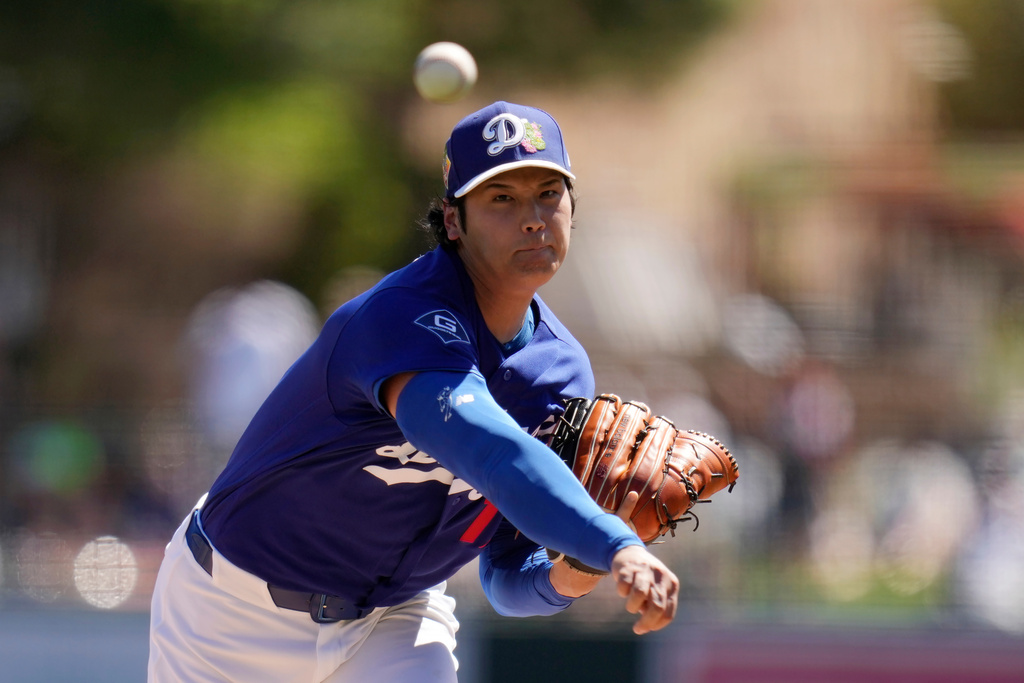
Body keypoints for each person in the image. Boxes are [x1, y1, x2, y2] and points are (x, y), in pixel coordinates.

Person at [148, 101, 679, 683]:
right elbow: (490, 451)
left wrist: (575, 568)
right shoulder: (403, 316)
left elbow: (506, 575)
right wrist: (614, 542)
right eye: (501, 199)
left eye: (549, 193)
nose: (532, 217)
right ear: (454, 222)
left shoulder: (561, 373)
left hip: (394, 620)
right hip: (232, 613)